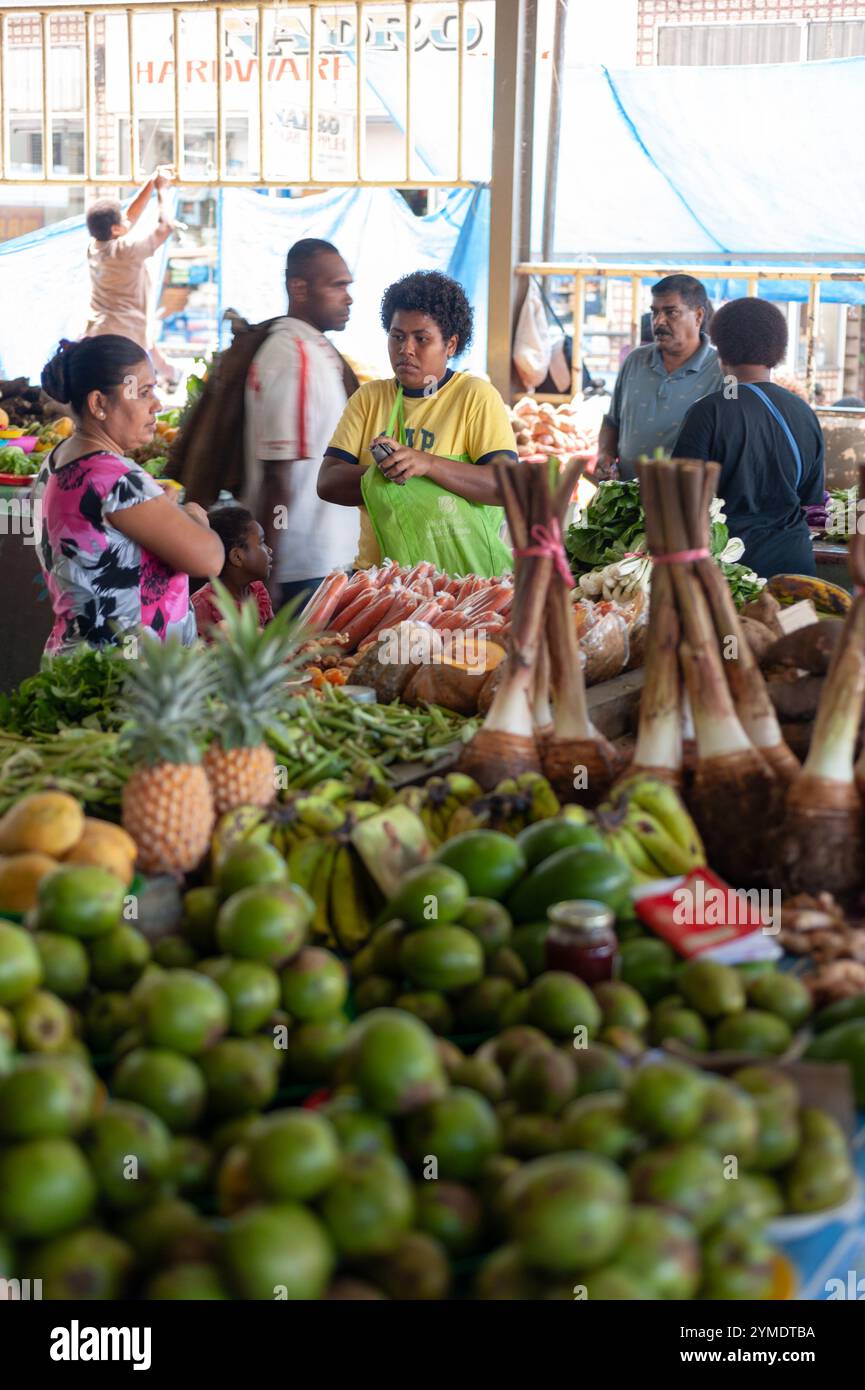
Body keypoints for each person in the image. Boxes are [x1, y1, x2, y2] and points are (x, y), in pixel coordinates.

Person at [318, 270, 517, 576]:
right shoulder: (369, 398)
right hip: (381, 580)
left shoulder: (475, 397)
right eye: (397, 336)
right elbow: (328, 482)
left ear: (450, 345)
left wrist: (427, 464)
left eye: (421, 339)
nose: (405, 349)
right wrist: (385, 473)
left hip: (461, 585)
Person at [35, 336, 223, 655]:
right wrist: (192, 515)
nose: (158, 405)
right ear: (99, 404)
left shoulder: (56, 459)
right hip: (125, 677)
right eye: (145, 392)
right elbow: (209, 559)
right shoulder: (116, 479)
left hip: (79, 661)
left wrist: (157, 505)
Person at [243, 239, 359, 614]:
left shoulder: (315, 350)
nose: (349, 297)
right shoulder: (292, 358)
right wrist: (267, 575)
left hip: (323, 565)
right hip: (301, 570)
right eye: (337, 285)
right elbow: (279, 476)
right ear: (299, 289)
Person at [672, 297, 824, 579]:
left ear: (722, 348)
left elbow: (680, 500)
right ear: (777, 349)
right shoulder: (804, 413)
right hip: (795, 567)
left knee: (737, 627)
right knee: (790, 625)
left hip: (730, 573)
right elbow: (810, 500)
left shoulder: (708, 412)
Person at [597, 274, 723, 481]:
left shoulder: (723, 371)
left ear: (699, 316)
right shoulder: (634, 361)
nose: (658, 321)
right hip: (625, 500)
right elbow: (612, 422)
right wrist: (605, 454)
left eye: (671, 312)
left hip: (684, 502)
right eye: (654, 312)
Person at [83, 168, 177, 385]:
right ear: (115, 229)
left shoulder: (94, 247)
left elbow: (129, 217)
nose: (128, 221)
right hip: (125, 338)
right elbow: (166, 228)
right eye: (122, 222)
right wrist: (162, 191)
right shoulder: (126, 251)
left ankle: (171, 375)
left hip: (100, 331)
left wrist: (152, 183)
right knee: (128, 390)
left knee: (109, 386)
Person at [192, 505, 274, 642]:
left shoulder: (257, 590)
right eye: (262, 542)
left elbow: (273, 635)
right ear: (237, 557)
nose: (269, 550)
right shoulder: (204, 604)